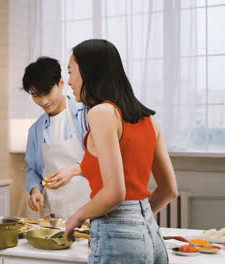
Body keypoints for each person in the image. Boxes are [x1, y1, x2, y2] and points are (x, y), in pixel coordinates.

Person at [63, 39, 178, 263]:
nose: (69, 81)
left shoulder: (101, 113)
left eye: (71, 72)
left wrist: (77, 217)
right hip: (150, 234)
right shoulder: (149, 120)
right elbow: (169, 191)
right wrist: (134, 223)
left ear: (89, 71)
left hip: (119, 233)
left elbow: (115, 193)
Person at [22, 57, 91, 218]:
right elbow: (33, 170)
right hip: (52, 213)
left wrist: (74, 171)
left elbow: (102, 159)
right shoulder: (35, 130)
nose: (43, 101)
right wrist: (35, 190)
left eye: (47, 92)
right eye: (36, 95)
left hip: (88, 209)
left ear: (61, 83)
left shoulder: (86, 115)